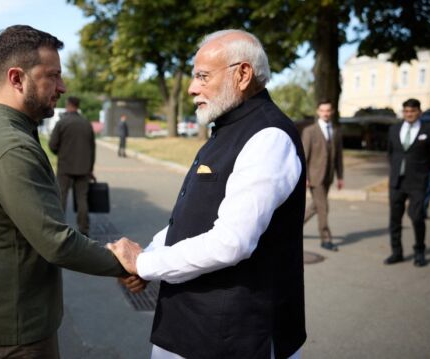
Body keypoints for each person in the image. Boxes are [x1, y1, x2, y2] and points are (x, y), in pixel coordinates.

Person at [108, 29, 306, 359]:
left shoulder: (268, 136)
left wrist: (145, 263)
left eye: (202, 76)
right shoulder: (229, 127)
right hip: (191, 328)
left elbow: (230, 243)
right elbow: (191, 219)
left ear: (243, 74)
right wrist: (146, 259)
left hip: (232, 337)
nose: (191, 88)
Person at [0, 25, 129, 358]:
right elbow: (57, 242)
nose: (62, 87)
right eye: (52, 76)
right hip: (17, 329)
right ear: (17, 78)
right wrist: (125, 263)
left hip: (4, 315)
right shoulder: (11, 147)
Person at [386, 99, 430, 267]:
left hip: (417, 182)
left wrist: (422, 173)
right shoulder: (394, 129)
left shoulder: (429, 130)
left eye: (413, 111)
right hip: (396, 182)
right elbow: (390, 153)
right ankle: (396, 252)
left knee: (417, 217)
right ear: (403, 112)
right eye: (406, 111)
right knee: (395, 219)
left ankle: (419, 252)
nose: (409, 114)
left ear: (419, 112)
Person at [49, 96, 95, 235]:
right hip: (84, 167)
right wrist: (90, 168)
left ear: (68, 105)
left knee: (61, 198)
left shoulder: (62, 123)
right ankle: (84, 229)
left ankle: (60, 229)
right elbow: (92, 148)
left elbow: (52, 145)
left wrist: (60, 153)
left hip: (65, 166)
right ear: (78, 105)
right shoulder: (86, 123)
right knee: (82, 199)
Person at [301, 99, 344, 251]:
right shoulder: (309, 131)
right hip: (314, 176)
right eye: (323, 110)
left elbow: (338, 156)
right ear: (318, 112)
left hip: (329, 176)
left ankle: (292, 227)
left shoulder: (336, 131)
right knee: (323, 207)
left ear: (331, 112)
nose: (325, 113)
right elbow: (304, 156)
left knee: (315, 207)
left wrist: (340, 176)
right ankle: (326, 239)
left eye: (328, 110)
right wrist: (304, 177)